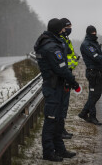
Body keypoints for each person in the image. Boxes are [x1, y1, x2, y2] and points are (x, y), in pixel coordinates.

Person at [34, 18, 78, 162]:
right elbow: (61, 68)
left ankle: (60, 149)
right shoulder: (51, 47)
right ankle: (48, 152)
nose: (65, 30)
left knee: (57, 120)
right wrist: (74, 82)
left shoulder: (51, 42)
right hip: (53, 87)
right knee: (51, 121)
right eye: (63, 28)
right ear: (57, 29)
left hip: (56, 86)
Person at [78, 25, 102, 125]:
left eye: (95, 32)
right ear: (88, 33)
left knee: (94, 95)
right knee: (94, 95)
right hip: (93, 73)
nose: (94, 34)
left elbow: (99, 57)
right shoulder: (86, 44)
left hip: (98, 72)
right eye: (92, 33)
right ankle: (85, 113)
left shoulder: (94, 43)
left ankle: (88, 115)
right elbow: (96, 57)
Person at [60, 18, 80, 139]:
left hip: (68, 73)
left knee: (64, 105)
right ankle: (60, 131)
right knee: (62, 105)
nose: (70, 29)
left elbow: (70, 56)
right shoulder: (61, 41)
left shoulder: (66, 40)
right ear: (62, 28)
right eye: (68, 27)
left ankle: (62, 129)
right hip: (64, 75)